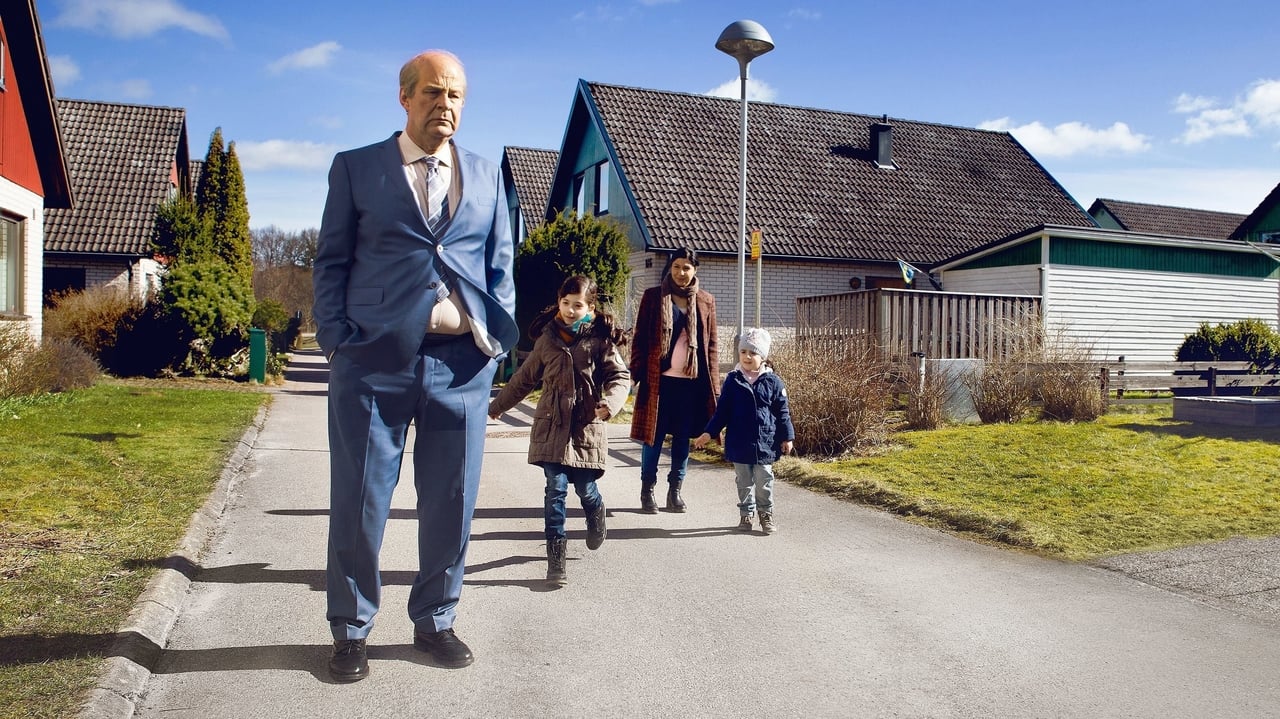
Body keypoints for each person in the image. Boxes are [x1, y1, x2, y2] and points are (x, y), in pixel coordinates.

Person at [311, 49, 518, 682]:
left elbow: (501, 267)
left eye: (455, 94)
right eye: (432, 93)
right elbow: (332, 263)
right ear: (405, 97)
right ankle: (351, 629)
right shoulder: (355, 169)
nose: (445, 105)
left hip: (460, 368)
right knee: (361, 501)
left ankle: (436, 618)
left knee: (453, 502)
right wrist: (337, 340)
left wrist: (492, 344)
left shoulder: (487, 176)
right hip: (372, 363)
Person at [488, 276, 631, 587]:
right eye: (565, 303)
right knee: (555, 491)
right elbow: (524, 379)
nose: (569, 310)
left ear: (590, 308)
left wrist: (611, 403)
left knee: (585, 490)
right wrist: (497, 406)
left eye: (577, 305)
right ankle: (556, 560)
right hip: (552, 427)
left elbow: (620, 376)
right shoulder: (548, 340)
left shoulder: (600, 342)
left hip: (584, 429)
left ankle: (596, 511)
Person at [628, 247, 719, 514]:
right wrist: (636, 372)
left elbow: (711, 346)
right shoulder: (654, 297)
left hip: (691, 385)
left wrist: (714, 385)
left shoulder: (706, 301)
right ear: (670, 268)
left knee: (681, 439)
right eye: (677, 266)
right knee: (652, 438)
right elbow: (640, 339)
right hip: (659, 383)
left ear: (695, 270)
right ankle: (647, 490)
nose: (681, 272)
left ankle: (675, 491)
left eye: (686, 267)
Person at [693, 328, 794, 534]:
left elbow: (783, 412)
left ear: (763, 356)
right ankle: (746, 514)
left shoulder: (773, 382)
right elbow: (722, 412)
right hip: (739, 441)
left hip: (765, 442)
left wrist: (787, 437)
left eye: (753, 353)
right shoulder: (733, 380)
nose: (747, 356)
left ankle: (765, 514)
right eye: (744, 352)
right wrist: (708, 432)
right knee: (744, 481)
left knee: (764, 479)